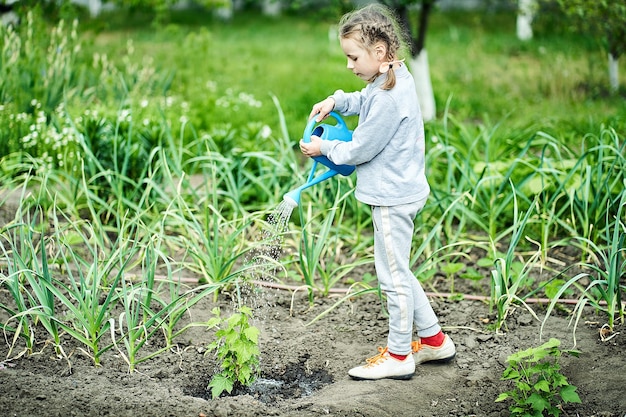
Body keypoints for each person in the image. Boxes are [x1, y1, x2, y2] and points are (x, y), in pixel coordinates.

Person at [299, 3, 456, 381]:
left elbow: (359, 149)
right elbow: (364, 97)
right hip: (403, 189)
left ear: (380, 53)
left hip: (391, 197)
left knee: (392, 278)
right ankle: (435, 341)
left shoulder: (387, 98)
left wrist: (324, 149)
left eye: (353, 57)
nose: (350, 65)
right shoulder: (394, 77)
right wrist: (337, 101)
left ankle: (400, 355)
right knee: (400, 269)